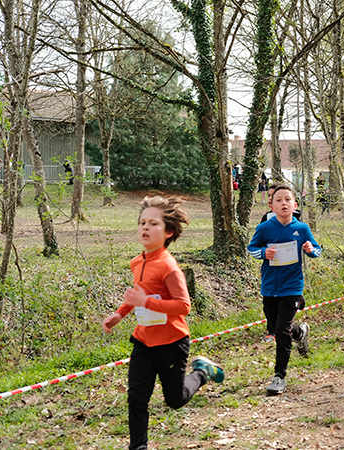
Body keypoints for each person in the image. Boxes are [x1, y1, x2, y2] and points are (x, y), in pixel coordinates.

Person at [101, 196, 224, 450]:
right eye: (142, 222)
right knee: (137, 397)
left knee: (175, 400)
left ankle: (202, 372)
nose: (145, 227)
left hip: (172, 343)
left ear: (168, 232)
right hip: (143, 341)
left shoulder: (168, 266)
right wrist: (119, 314)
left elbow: (183, 306)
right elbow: (138, 294)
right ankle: (138, 447)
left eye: (153, 223)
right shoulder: (137, 262)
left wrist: (146, 302)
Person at [247, 185, 321, 394]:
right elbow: (251, 249)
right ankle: (300, 332)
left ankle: (279, 376)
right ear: (272, 206)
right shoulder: (265, 228)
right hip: (270, 287)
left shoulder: (302, 228)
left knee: (281, 331)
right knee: (275, 327)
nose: (284, 203)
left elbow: (317, 250)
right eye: (279, 200)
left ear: (294, 204)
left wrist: (310, 250)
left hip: (292, 287)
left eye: (288, 199)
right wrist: (264, 253)